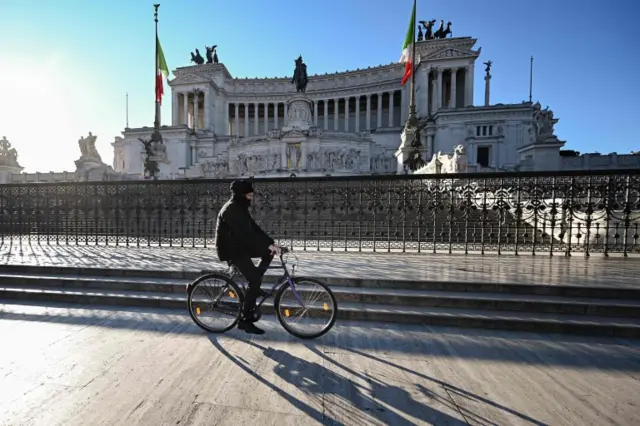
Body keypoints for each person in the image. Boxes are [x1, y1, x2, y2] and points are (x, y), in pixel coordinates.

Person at [214, 180, 281, 335]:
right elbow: (246, 234)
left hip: (239, 246)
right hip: (230, 250)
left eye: (251, 195)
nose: (251, 198)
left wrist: (271, 244)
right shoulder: (231, 210)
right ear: (240, 195)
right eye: (249, 195)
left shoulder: (240, 206)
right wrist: (266, 245)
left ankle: (254, 289)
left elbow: (253, 228)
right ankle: (245, 321)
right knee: (255, 279)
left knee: (267, 253)